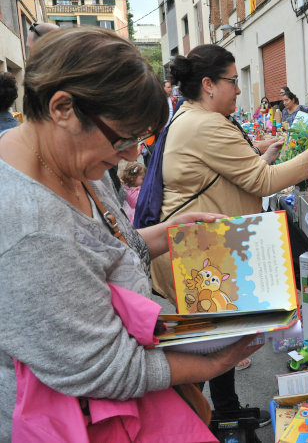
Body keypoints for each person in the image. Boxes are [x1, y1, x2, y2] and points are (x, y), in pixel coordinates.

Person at [0, 27, 262, 441]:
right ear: (63, 108)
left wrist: (168, 233)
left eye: (139, 140)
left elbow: (113, 246)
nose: (131, 155)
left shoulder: (75, 162)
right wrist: (213, 364)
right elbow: (106, 368)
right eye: (123, 138)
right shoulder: (28, 227)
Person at [150, 44, 308, 424]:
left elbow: (234, 172)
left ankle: (225, 412)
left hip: (199, 249)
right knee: (208, 347)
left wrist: (263, 157)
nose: (239, 90)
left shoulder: (190, 116)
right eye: (233, 82)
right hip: (198, 255)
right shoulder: (206, 123)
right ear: (208, 84)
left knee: (218, 339)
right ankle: (195, 422)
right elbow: (262, 181)